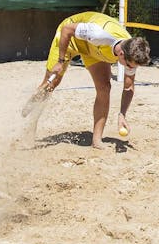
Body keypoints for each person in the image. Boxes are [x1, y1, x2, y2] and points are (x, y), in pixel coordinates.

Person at [39, 11, 152, 149]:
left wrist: (122, 114)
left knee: (104, 88)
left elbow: (128, 87)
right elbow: (66, 30)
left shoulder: (131, 52)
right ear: (121, 54)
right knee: (51, 84)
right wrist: (60, 61)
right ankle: (29, 127)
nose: (130, 69)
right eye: (128, 65)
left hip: (93, 50)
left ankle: (96, 141)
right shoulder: (99, 34)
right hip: (71, 38)